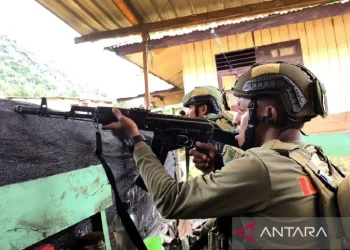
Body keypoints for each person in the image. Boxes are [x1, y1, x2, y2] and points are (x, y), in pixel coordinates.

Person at [102, 61, 330, 249]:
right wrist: (218, 166)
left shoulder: (261, 167)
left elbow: (170, 201)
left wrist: (136, 140)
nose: (236, 118)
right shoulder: (310, 155)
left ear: (268, 114)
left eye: (241, 109)